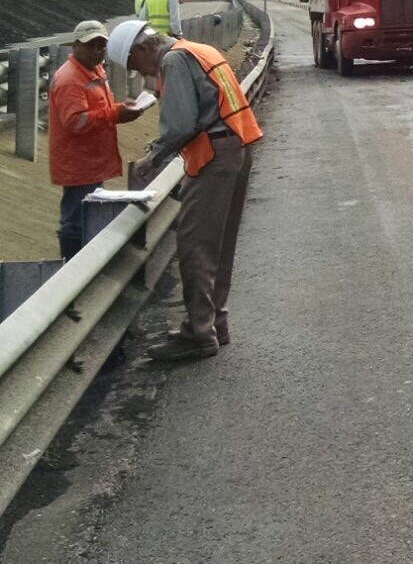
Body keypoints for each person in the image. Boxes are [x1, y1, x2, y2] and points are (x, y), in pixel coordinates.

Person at [109, 21, 263, 363]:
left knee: (194, 246)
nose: (140, 73)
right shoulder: (198, 48)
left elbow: (180, 124)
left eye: (135, 65)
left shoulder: (173, 61)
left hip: (214, 155)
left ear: (143, 49)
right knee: (217, 246)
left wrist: (153, 157)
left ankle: (198, 334)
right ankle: (214, 323)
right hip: (236, 145)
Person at [48, 21, 142, 260]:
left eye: (102, 46)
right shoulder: (70, 78)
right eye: (91, 46)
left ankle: (82, 266)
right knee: (75, 221)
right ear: (76, 45)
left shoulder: (95, 70)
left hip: (92, 159)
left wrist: (121, 110)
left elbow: (101, 107)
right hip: (78, 163)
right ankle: (71, 271)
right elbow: (75, 121)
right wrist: (116, 114)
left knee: (86, 216)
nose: (97, 51)